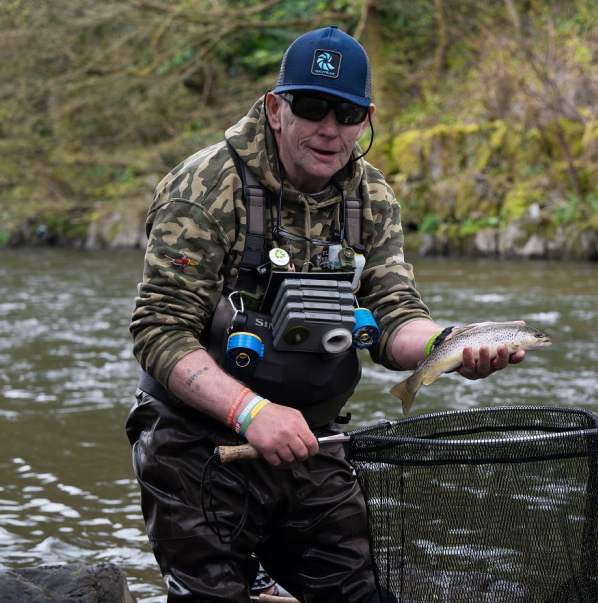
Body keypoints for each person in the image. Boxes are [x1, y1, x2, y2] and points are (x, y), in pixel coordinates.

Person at [126, 26, 525, 602]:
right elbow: (158, 329)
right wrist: (250, 411)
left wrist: (453, 344)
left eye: (347, 113)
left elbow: (393, 315)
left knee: (357, 591)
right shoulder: (205, 187)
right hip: (195, 441)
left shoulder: (373, 199)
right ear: (276, 107)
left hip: (313, 439)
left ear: (367, 118)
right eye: (312, 107)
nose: (329, 129)